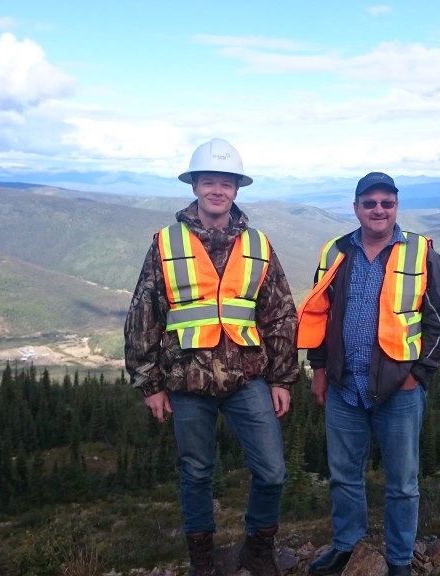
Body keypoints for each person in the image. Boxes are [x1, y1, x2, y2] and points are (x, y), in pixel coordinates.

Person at [124, 138, 298, 576]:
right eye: (209, 182)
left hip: (248, 378)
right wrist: (150, 383)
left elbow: (279, 313)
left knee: (273, 472)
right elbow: (145, 311)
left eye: (226, 183)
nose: (217, 190)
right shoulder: (166, 242)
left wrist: (281, 379)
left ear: (237, 190)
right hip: (185, 381)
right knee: (196, 473)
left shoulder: (258, 244)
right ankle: (201, 559)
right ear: (195, 186)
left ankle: (258, 548)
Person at [297, 172, 440, 576]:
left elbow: (439, 319)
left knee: (402, 483)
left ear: (396, 207)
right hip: (344, 387)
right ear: (356, 208)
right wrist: (318, 369)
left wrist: (418, 374)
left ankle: (400, 559)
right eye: (370, 203)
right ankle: (347, 547)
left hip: (399, 390)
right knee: (344, 476)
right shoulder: (335, 252)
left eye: (387, 203)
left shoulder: (421, 252)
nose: (378, 210)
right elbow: (319, 314)